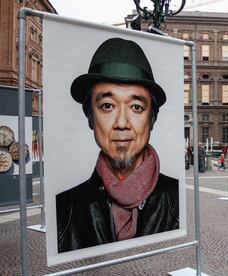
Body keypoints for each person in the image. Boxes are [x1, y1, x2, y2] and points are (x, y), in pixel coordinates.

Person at [56, 38, 179, 253]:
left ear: (152, 119)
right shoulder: (63, 209)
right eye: (107, 106)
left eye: (136, 107)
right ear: (90, 118)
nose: (122, 123)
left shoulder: (177, 200)